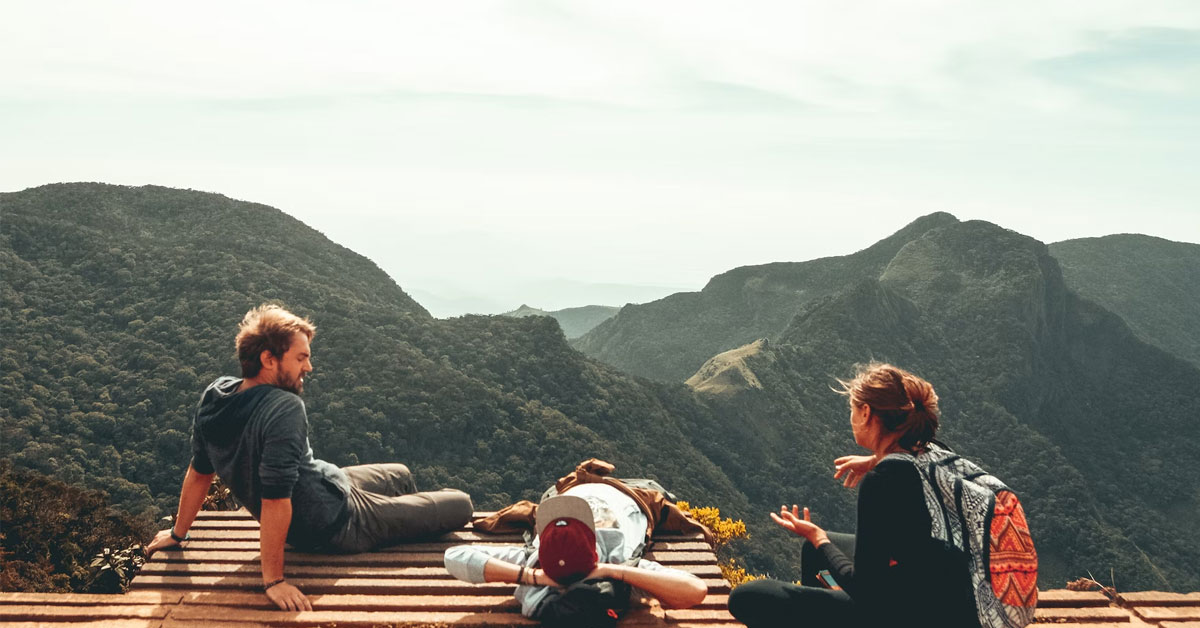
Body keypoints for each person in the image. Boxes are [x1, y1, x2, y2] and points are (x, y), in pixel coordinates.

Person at [145, 304, 474, 611]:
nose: (309, 367)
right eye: (301, 358)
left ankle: (405, 517)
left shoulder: (215, 395)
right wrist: (273, 580)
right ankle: (400, 521)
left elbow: (200, 471)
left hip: (329, 483)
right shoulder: (284, 408)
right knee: (461, 504)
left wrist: (178, 533)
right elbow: (275, 499)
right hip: (335, 522)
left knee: (400, 473)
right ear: (269, 359)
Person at [728, 362, 984, 628]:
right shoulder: (934, 451)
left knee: (747, 596)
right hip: (957, 603)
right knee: (813, 552)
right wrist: (876, 458)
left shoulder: (882, 482)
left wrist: (819, 537)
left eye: (852, 409)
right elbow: (910, 466)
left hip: (913, 616)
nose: (850, 417)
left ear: (865, 412)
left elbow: (864, 588)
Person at [443, 484, 709, 620]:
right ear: (593, 540)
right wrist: (610, 570)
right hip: (629, 493)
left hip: (564, 490)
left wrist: (534, 577)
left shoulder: (534, 561)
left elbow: (453, 557)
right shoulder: (618, 561)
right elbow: (695, 591)